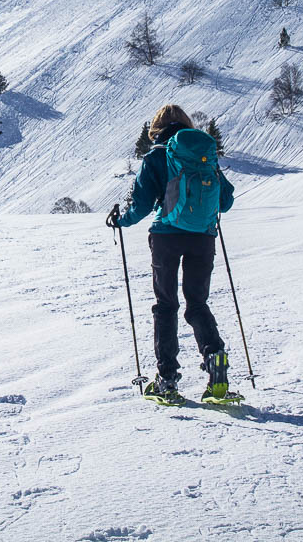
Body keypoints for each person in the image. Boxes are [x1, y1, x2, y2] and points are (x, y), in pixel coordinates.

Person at [107, 104, 236, 405]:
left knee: (166, 305)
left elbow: (139, 205)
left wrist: (121, 220)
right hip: (202, 237)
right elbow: (226, 201)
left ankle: (167, 380)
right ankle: (216, 364)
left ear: (157, 129)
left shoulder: (157, 156)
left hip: (166, 236)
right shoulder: (205, 156)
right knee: (197, 303)